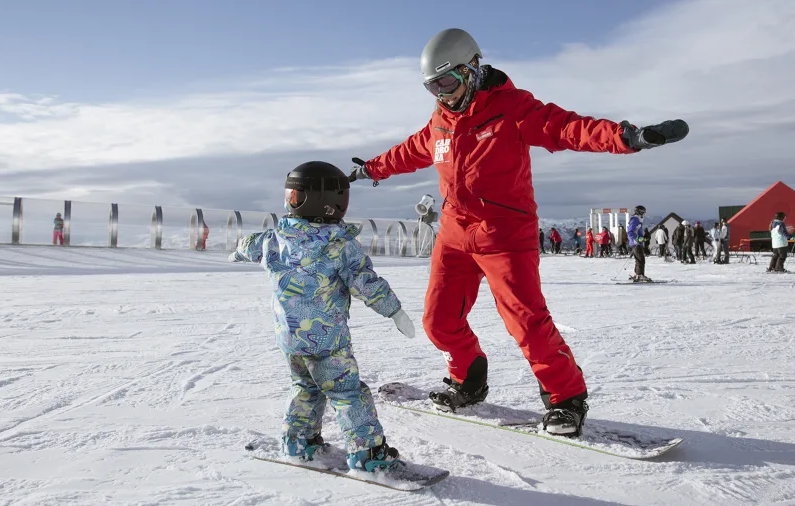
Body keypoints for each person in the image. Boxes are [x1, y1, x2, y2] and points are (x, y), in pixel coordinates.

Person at [347, 28, 688, 436]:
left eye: (447, 82)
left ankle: (566, 399)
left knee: (525, 321)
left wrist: (627, 137)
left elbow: (568, 128)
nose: (441, 93)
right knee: (438, 322)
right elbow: (410, 150)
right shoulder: (441, 121)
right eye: (432, 86)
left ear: (471, 69)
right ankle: (468, 379)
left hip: (504, 232)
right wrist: (371, 168)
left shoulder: (512, 108)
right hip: (455, 232)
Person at [229, 161, 416, 471]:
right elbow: (365, 282)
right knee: (347, 393)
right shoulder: (338, 245)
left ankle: (299, 441)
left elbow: (248, 245)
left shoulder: (273, 238)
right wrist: (393, 311)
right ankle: (369, 456)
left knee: (306, 387)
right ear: (334, 202)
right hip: (326, 340)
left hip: (290, 340)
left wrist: (236, 251)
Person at [626, 206, 650, 281]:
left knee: (638, 259)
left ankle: (637, 274)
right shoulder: (635, 219)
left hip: (637, 243)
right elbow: (630, 232)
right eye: (643, 212)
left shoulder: (638, 220)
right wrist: (637, 238)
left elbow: (637, 232)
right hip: (635, 243)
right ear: (640, 212)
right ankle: (640, 275)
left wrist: (644, 237)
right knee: (641, 259)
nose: (644, 214)